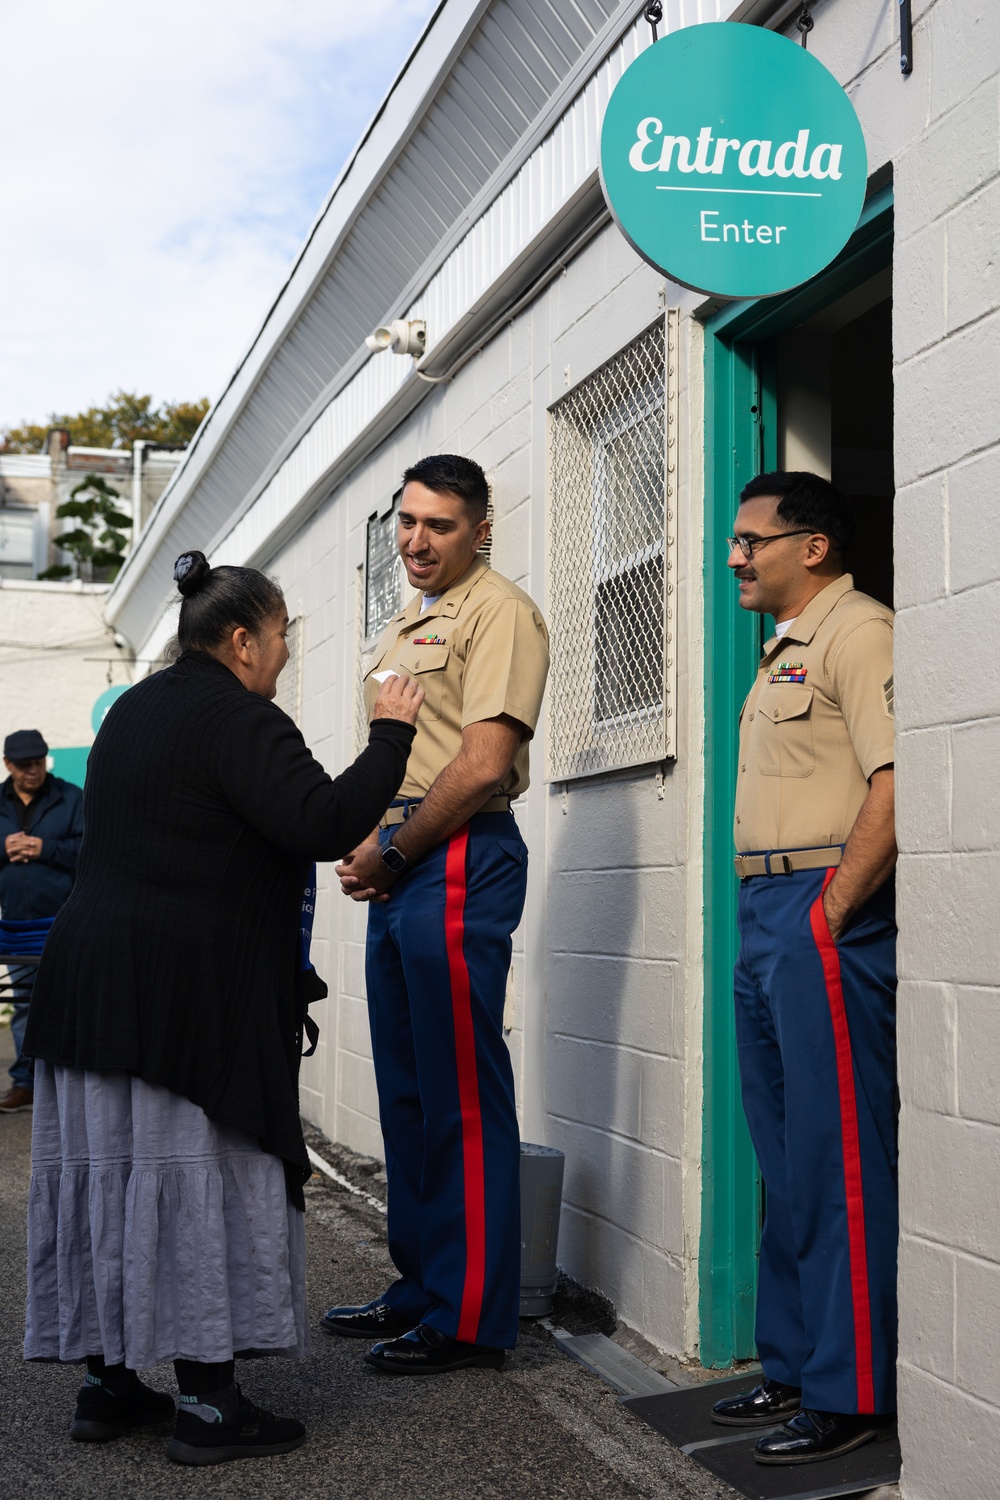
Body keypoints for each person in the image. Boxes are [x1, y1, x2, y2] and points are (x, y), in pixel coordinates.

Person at [23, 550, 423, 1464]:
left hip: (87, 979)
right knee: (189, 1173)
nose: (284, 656)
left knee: (113, 1175)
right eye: (282, 638)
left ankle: (108, 1383)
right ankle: (207, 1406)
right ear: (242, 640)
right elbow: (319, 822)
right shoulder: (241, 717)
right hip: (181, 997)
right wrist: (389, 734)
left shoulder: (133, 712)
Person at [321, 454, 549, 1375]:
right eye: (407, 522)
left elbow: (485, 762)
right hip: (404, 863)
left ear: (481, 529)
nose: (417, 540)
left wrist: (394, 848)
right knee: (409, 1094)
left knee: (460, 1094)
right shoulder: (406, 623)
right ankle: (421, 1286)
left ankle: (470, 1318)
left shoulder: (502, 613)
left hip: (453, 855)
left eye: (440, 525)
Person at [711, 472, 897, 1464]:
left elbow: (895, 782)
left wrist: (829, 915)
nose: (736, 555)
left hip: (820, 908)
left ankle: (850, 1388)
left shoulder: (858, 632)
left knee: (838, 1162)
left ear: (811, 546)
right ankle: (790, 1366)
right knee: (783, 1158)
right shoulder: (785, 649)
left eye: (752, 540)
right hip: (764, 908)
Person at [0, 729, 83, 1113]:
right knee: (24, 1003)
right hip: (16, 923)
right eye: (24, 765)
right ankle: (27, 1083)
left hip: (63, 919)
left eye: (39, 762)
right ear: (8, 765)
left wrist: (43, 848)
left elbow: (92, 848)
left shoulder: (70, 797)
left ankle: (71, 1086)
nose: (33, 770)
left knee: (70, 1001)